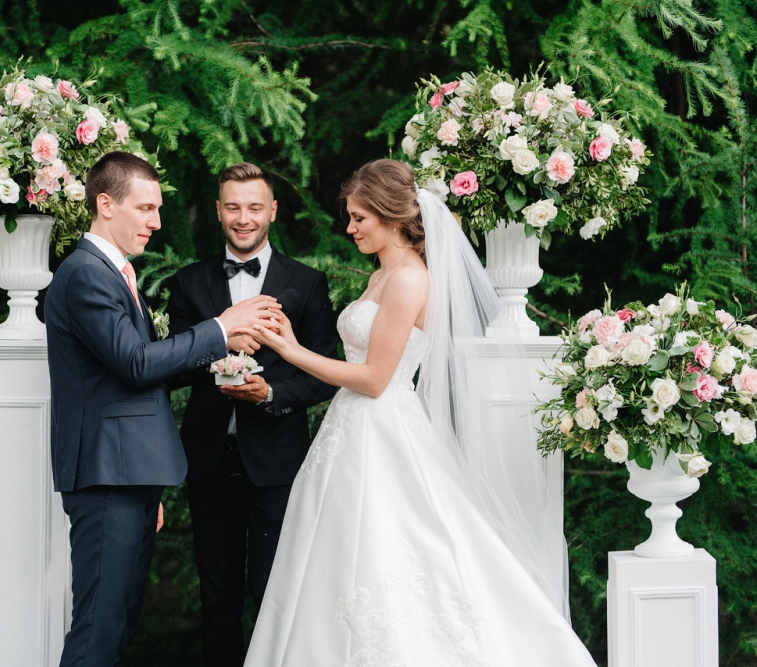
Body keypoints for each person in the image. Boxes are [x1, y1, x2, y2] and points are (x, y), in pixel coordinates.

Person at [243, 159, 597, 666]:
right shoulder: (382, 274)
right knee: (337, 552)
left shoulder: (408, 279)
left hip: (382, 428)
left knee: (393, 545)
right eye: (350, 217)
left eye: (359, 218)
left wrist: (292, 349)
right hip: (351, 428)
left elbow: (374, 378)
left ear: (391, 217)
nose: (350, 228)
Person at [44, 152, 281, 667]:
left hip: (128, 474)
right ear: (106, 205)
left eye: (157, 209)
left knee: (117, 625)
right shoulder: (86, 274)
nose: (155, 221)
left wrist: (146, 480)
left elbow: (141, 373)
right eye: (145, 208)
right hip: (108, 475)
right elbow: (134, 363)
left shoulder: (113, 273)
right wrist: (220, 327)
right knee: (97, 631)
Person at [166, 163, 339, 667]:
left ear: (273, 212)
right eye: (234, 207)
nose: (244, 218)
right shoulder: (189, 282)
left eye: (255, 207)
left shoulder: (306, 283)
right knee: (217, 597)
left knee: (275, 595)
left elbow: (326, 373)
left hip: (278, 462)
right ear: (219, 212)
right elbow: (172, 366)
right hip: (209, 461)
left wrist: (271, 393)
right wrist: (217, 345)